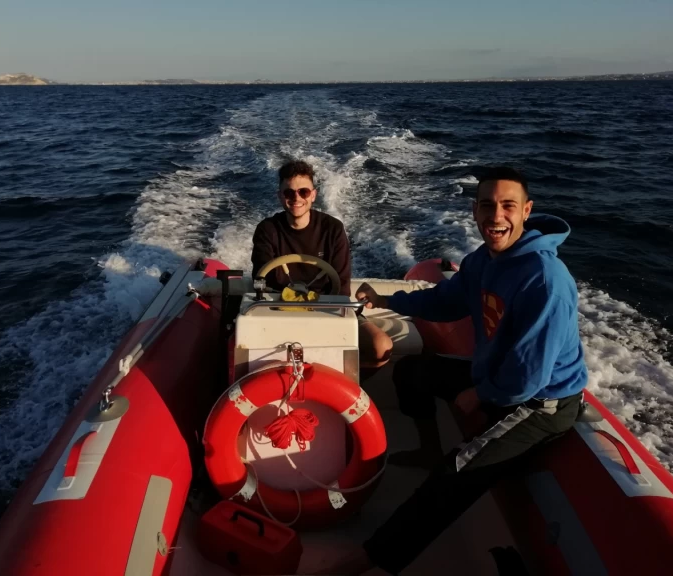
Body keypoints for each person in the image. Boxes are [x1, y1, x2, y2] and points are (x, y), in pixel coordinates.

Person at [326, 166, 588, 575]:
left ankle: (367, 559)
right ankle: (428, 447)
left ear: (526, 211)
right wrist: (388, 299)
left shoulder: (544, 279)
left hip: (542, 402)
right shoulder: (483, 261)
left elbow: (528, 377)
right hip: (497, 375)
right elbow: (446, 301)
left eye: (507, 206)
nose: (495, 216)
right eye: (487, 205)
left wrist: (479, 394)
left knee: (456, 473)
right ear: (474, 210)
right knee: (411, 373)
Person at [251, 159, 393, 369]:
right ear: (280, 196)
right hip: (280, 310)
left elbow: (341, 285)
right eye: (289, 193)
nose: (296, 198)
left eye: (303, 192)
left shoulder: (333, 229)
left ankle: (345, 386)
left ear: (313, 195)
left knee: (381, 346)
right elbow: (263, 282)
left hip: (329, 308)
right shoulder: (267, 230)